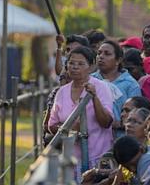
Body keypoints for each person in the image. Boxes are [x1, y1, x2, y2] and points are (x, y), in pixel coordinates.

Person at [48, 46, 113, 180]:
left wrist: (94, 97)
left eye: (80, 64)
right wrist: (69, 129)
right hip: (71, 160)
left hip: (98, 159)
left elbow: (106, 122)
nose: (75, 67)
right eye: (71, 63)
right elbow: (51, 125)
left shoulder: (101, 88)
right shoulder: (62, 92)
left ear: (91, 67)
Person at [92, 40, 141, 134]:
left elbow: (137, 117)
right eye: (99, 53)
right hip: (93, 139)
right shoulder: (90, 80)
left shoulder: (130, 85)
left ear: (118, 60)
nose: (101, 56)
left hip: (119, 139)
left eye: (107, 54)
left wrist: (118, 123)